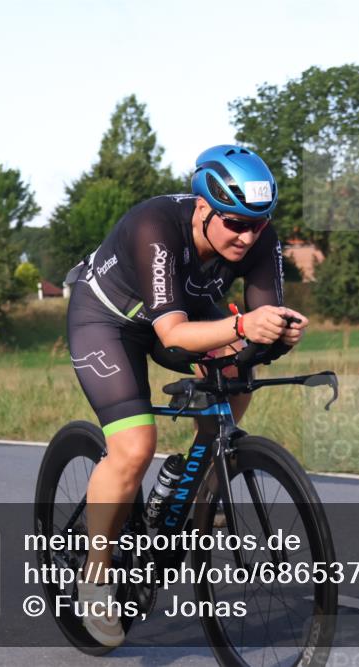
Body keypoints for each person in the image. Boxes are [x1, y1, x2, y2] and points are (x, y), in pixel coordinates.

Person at [64, 145, 308, 646]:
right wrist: (240, 323)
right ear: (203, 208)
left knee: (236, 370)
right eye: (235, 223)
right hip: (107, 320)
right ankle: (94, 575)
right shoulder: (156, 226)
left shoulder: (259, 237)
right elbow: (173, 334)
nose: (247, 236)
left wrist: (274, 336)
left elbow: (252, 334)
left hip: (178, 312)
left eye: (257, 225)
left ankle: (196, 481)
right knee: (134, 446)